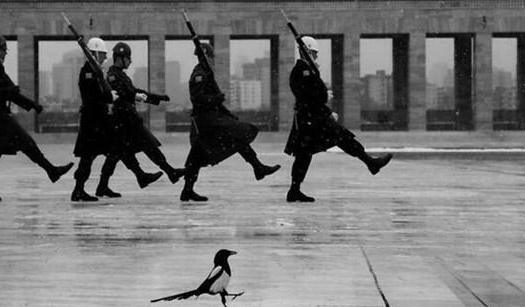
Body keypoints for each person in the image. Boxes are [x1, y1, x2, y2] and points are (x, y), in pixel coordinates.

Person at [285, 36, 393, 202]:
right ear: (304, 51)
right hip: (312, 119)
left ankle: (294, 190)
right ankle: (370, 162)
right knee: (340, 138)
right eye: (313, 53)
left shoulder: (306, 70)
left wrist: (324, 105)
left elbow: (311, 96)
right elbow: (307, 97)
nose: (315, 56)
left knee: (305, 154)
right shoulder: (302, 71)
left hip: (312, 118)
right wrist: (324, 99)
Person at [0, 35, 73, 202]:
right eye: (4, 50)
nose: (5, 53)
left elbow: (13, 93)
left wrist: (33, 105)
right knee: (25, 143)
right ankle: (51, 170)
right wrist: (8, 92)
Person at [181, 43, 280, 202]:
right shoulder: (200, 74)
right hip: (207, 122)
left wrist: (229, 115)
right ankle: (258, 167)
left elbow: (215, 104)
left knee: (198, 157)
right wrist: (216, 98)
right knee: (230, 138)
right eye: (211, 57)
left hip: (211, 121)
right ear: (206, 57)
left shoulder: (206, 73)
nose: (212, 60)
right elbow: (198, 99)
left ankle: (187, 190)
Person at [72, 37, 162, 201]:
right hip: (92, 121)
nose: (105, 58)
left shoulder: (95, 70)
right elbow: (92, 97)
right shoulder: (88, 72)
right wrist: (109, 97)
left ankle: (132, 177)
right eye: (103, 54)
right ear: (95, 53)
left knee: (117, 149)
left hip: (99, 119)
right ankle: (79, 190)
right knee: (89, 156)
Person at [107, 42, 185, 187]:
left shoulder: (121, 75)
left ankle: (163, 173)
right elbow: (124, 92)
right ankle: (168, 172)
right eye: (128, 58)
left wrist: (156, 97)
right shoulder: (112, 76)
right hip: (125, 121)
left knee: (120, 153)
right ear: (120, 58)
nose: (130, 61)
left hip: (129, 119)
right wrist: (136, 95)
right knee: (144, 146)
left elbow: (135, 91)